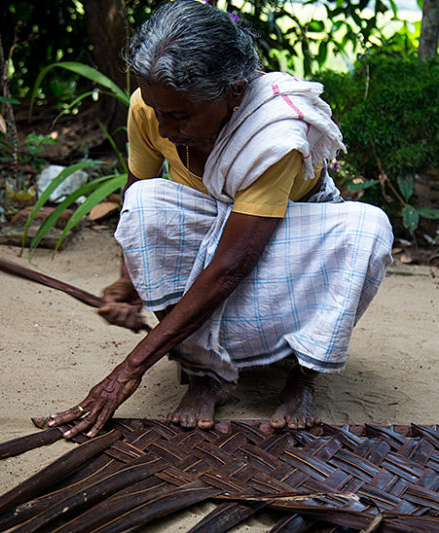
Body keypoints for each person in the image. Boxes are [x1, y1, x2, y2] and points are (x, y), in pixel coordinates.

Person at [47, 0, 393, 438]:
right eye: (158, 111)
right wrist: (128, 282)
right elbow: (137, 194)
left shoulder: (275, 135)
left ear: (233, 93)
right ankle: (205, 373)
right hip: (216, 222)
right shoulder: (148, 107)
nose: (166, 128)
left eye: (181, 115)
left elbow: (232, 266)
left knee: (367, 230)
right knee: (145, 204)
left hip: (290, 231)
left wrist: (128, 371)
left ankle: (302, 377)